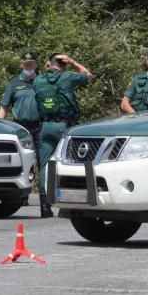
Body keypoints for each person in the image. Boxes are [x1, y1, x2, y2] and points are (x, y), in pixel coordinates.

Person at [35, 53, 93, 217]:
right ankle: (71, 202)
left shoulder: (39, 80)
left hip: (45, 126)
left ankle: (44, 206)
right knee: (72, 161)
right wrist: (74, 62)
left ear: (50, 63)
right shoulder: (67, 76)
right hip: (64, 126)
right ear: (64, 64)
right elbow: (88, 76)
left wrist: (47, 70)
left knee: (45, 164)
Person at [0, 51, 42, 197]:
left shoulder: (43, 81)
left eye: (31, 64)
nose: (28, 66)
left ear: (36, 64)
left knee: (43, 160)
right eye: (26, 64)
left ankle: (44, 193)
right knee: (23, 161)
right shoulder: (14, 82)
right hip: (21, 128)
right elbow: (4, 106)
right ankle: (23, 195)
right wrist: (0, 127)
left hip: (41, 126)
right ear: (21, 64)